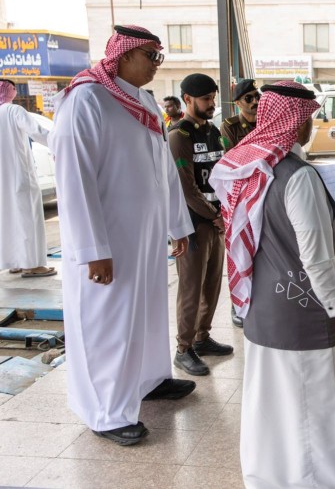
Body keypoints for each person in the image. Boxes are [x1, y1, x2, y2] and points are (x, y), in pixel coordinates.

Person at [209, 81, 335, 489]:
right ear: (294, 122)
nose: (310, 126)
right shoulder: (298, 177)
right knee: (309, 399)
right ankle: (314, 481)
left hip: (263, 303)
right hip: (302, 310)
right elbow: (315, 256)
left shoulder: (247, 167)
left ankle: (273, 474)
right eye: (308, 118)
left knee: (274, 401)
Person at [50, 25, 196, 446]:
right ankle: (106, 410)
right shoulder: (86, 98)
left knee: (148, 311)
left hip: (146, 235)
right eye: (151, 55)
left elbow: (162, 169)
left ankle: (150, 380)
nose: (155, 65)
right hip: (108, 239)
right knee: (108, 322)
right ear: (124, 55)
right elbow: (74, 179)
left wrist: (176, 224)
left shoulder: (143, 100)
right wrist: (93, 249)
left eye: (158, 57)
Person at [169, 73, 232, 376]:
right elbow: (186, 188)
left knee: (212, 284)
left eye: (213, 98)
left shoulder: (214, 131)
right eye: (206, 99)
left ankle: (202, 337)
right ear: (188, 99)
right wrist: (214, 215)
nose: (211, 104)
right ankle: (183, 349)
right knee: (191, 289)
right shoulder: (179, 136)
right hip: (194, 225)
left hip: (217, 221)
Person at [0, 78, 56, 278]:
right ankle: (32, 265)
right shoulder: (14, 111)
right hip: (18, 174)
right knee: (27, 217)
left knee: (7, 218)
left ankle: (15, 262)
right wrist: (61, 144)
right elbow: (38, 132)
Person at [220, 78, 259, 152]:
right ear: (238, 103)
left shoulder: (266, 123)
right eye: (249, 98)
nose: (255, 101)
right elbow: (229, 156)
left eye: (257, 96)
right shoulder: (229, 127)